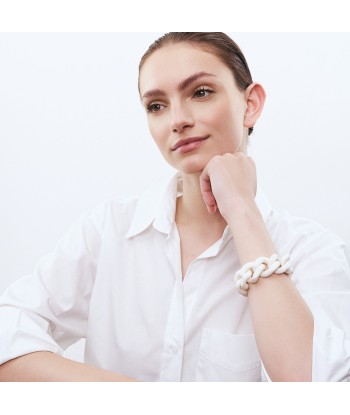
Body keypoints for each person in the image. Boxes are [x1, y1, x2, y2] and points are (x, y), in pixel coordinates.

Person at [0, 32, 349, 382]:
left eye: (200, 92)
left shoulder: (312, 251)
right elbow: (8, 333)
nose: (177, 120)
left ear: (251, 104)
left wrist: (242, 210)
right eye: (156, 105)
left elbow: (315, 386)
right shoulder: (108, 231)